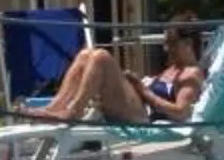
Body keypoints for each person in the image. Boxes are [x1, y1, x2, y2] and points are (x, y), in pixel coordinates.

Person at [20, 38, 201, 124]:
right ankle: (53, 108)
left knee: (101, 57)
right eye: (166, 44)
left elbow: (181, 113)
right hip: (137, 103)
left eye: (172, 43)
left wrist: (144, 90)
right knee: (85, 55)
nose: (167, 49)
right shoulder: (173, 68)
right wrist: (138, 82)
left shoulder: (190, 74)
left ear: (188, 43)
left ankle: (73, 113)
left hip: (143, 116)